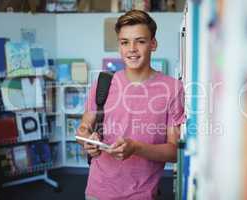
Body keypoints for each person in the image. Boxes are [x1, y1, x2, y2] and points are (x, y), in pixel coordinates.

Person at [77, 9, 185, 200]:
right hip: (97, 191)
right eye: (124, 42)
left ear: (153, 44)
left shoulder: (173, 88)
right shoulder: (103, 83)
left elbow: (174, 151)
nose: (132, 49)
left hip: (142, 194)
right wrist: (88, 141)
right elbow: (83, 129)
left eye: (140, 41)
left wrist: (136, 147)